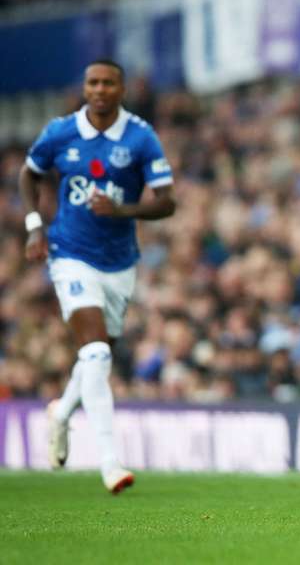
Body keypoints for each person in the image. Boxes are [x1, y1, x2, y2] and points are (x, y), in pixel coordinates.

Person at [18, 59, 176, 493]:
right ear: (84, 88)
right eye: (93, 82)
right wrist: (35, 225)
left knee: (97, 357)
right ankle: (110, 462)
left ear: (122, 89)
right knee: (97, 357)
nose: (100, 89)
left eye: (108, 82)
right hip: (69, 253)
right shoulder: (60, 132)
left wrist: (122, 209)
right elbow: (29, 173)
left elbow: (167, 202)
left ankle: (62, 412)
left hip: (120, 261)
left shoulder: (141, 137)